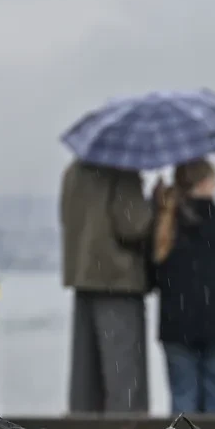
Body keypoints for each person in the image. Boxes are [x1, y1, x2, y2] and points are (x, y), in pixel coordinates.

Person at [152, 158, 215, 414]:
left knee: (182, 405)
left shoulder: (165, 226)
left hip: (176, 327)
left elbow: (152, 275)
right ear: (207, 183)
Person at [59, 159, 154, 413]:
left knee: (85, 378)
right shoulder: (123, 171)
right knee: (124, 377)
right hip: (117, 280)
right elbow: (132, 226)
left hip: (83, 275)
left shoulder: (73, 173)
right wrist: (154, 205)